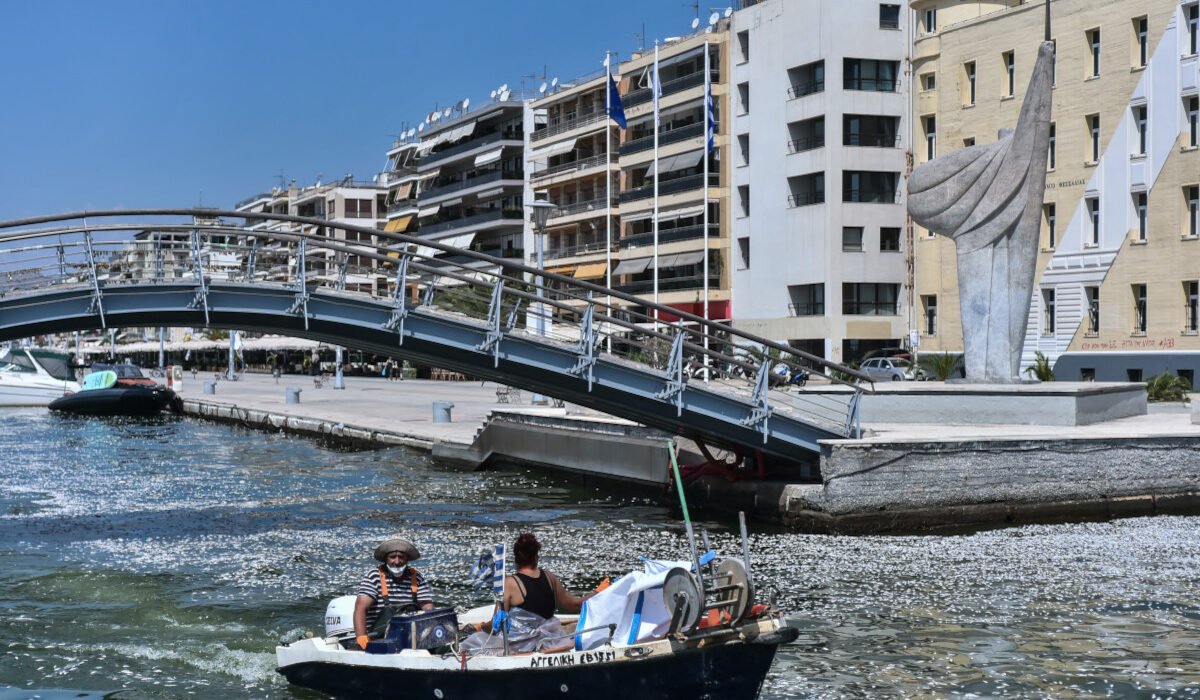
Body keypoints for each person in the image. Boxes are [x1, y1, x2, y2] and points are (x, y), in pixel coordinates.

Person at [464, 533, 600, 640]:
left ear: (516, 559)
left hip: (520, 645)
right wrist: (598, 592)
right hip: (551, 640)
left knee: (469, 643)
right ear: (536, 557)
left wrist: (481, 627)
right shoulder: (549, 577)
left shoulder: (509, 584)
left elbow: (497, 625)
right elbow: (575, 605)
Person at [352, 536, 434, 650]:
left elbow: (428, 609)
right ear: (386, 558)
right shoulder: (374, 576)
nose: (397, 561)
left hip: (411, 638)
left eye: (401, 557)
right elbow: (360, 608)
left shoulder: (418, 577)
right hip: (378, 639)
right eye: (392, 557)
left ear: (407, 559)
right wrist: (361, 637)